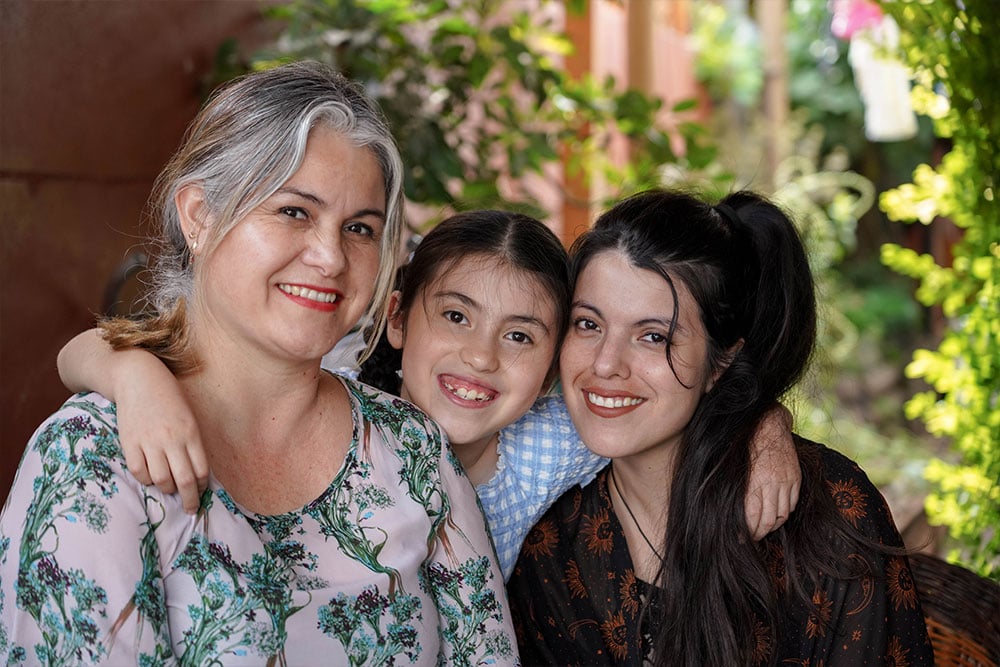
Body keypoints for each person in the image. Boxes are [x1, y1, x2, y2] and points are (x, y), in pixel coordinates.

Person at [0, 61, 519, 665]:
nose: (330, 257)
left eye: (360, 227)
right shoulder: (93, 457)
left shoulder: (407, 450)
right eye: (294, 211)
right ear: (199, 216)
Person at [56, 210, 803, 582]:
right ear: (399, 318)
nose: (480, 356)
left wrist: (767, 424)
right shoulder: (328, 404)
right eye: (455, 317)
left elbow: (678, 395)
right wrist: (133, 376)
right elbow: (85, 347)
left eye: (521, 336)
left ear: (551, 362)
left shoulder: (550, 441)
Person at [506, 190, 933, 666]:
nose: (605, 365)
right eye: (588, 324)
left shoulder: (825, 516)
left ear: (720, 361)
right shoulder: (551, 540)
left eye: (653, 337)